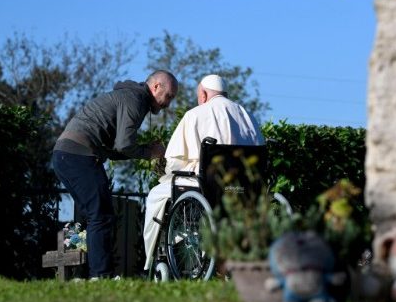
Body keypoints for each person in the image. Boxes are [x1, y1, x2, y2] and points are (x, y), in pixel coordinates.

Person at [52, 70, 179, 279]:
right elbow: (124, 145)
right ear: (156, 87)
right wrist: (151, 153)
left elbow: (116, 149)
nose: (168, 103)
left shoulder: (128, 97)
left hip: (66, 155)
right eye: (169, 96)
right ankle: (100, 276)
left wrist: (146, 149)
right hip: (78, 155)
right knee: (101, 215)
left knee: (93, 216)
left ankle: (81, 273)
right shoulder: (135, 100)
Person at [143, 74, 265, 271]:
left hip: (204, 186)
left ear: (203, 94)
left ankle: (151, 262)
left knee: (155, 196)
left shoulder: (195, 114)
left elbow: (174, 162)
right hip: (241, 187)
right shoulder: (247, 116)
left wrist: (167, 172)